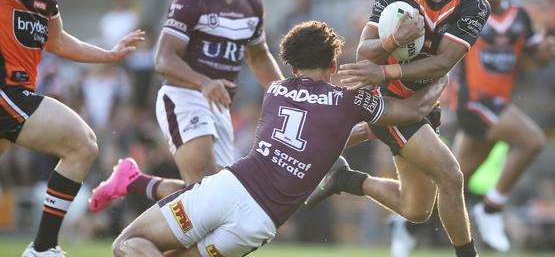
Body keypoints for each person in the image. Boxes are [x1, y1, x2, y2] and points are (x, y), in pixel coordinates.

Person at [111, 20, 449, 257]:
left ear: (290, 66)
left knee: (129, 243)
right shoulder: (349, 102)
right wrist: (439, 79)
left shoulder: (275, 90)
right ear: (333, 64)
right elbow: (411, 112)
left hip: (228, 190)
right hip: (259, 224)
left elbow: (317, 135)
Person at [306, 0, 486, 257]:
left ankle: (345, 179)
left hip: (417, 104)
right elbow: (364, 51)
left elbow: (444, 62)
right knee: (451, 176)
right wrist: (391, 44)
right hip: (387, 102)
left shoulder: (474, 5)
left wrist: (386, 69)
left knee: (416, 209)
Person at [90, 0, 283, 211]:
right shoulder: (191, 1)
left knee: (218, 197)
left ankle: (134, 182)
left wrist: (288, 96)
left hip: (219, 105)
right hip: (184, 97)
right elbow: (163, 60)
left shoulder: (252, 4)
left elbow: (258, 56)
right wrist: (204, 82)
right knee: (206, 186)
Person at [0, 0, 144, 255]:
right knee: (83, 144)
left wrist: (109, 55)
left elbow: (59, 41)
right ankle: (43, 247)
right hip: (6, 93)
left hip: (18, 96)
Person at [451, 0, 555, 252]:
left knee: (452, 181)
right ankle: (491, 207)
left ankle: (404, 222)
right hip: (473, 103)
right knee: (533, 140)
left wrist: (547, 51)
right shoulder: (465, 11)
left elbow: (537, 58)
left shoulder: (521, 17)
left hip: (496, 108)